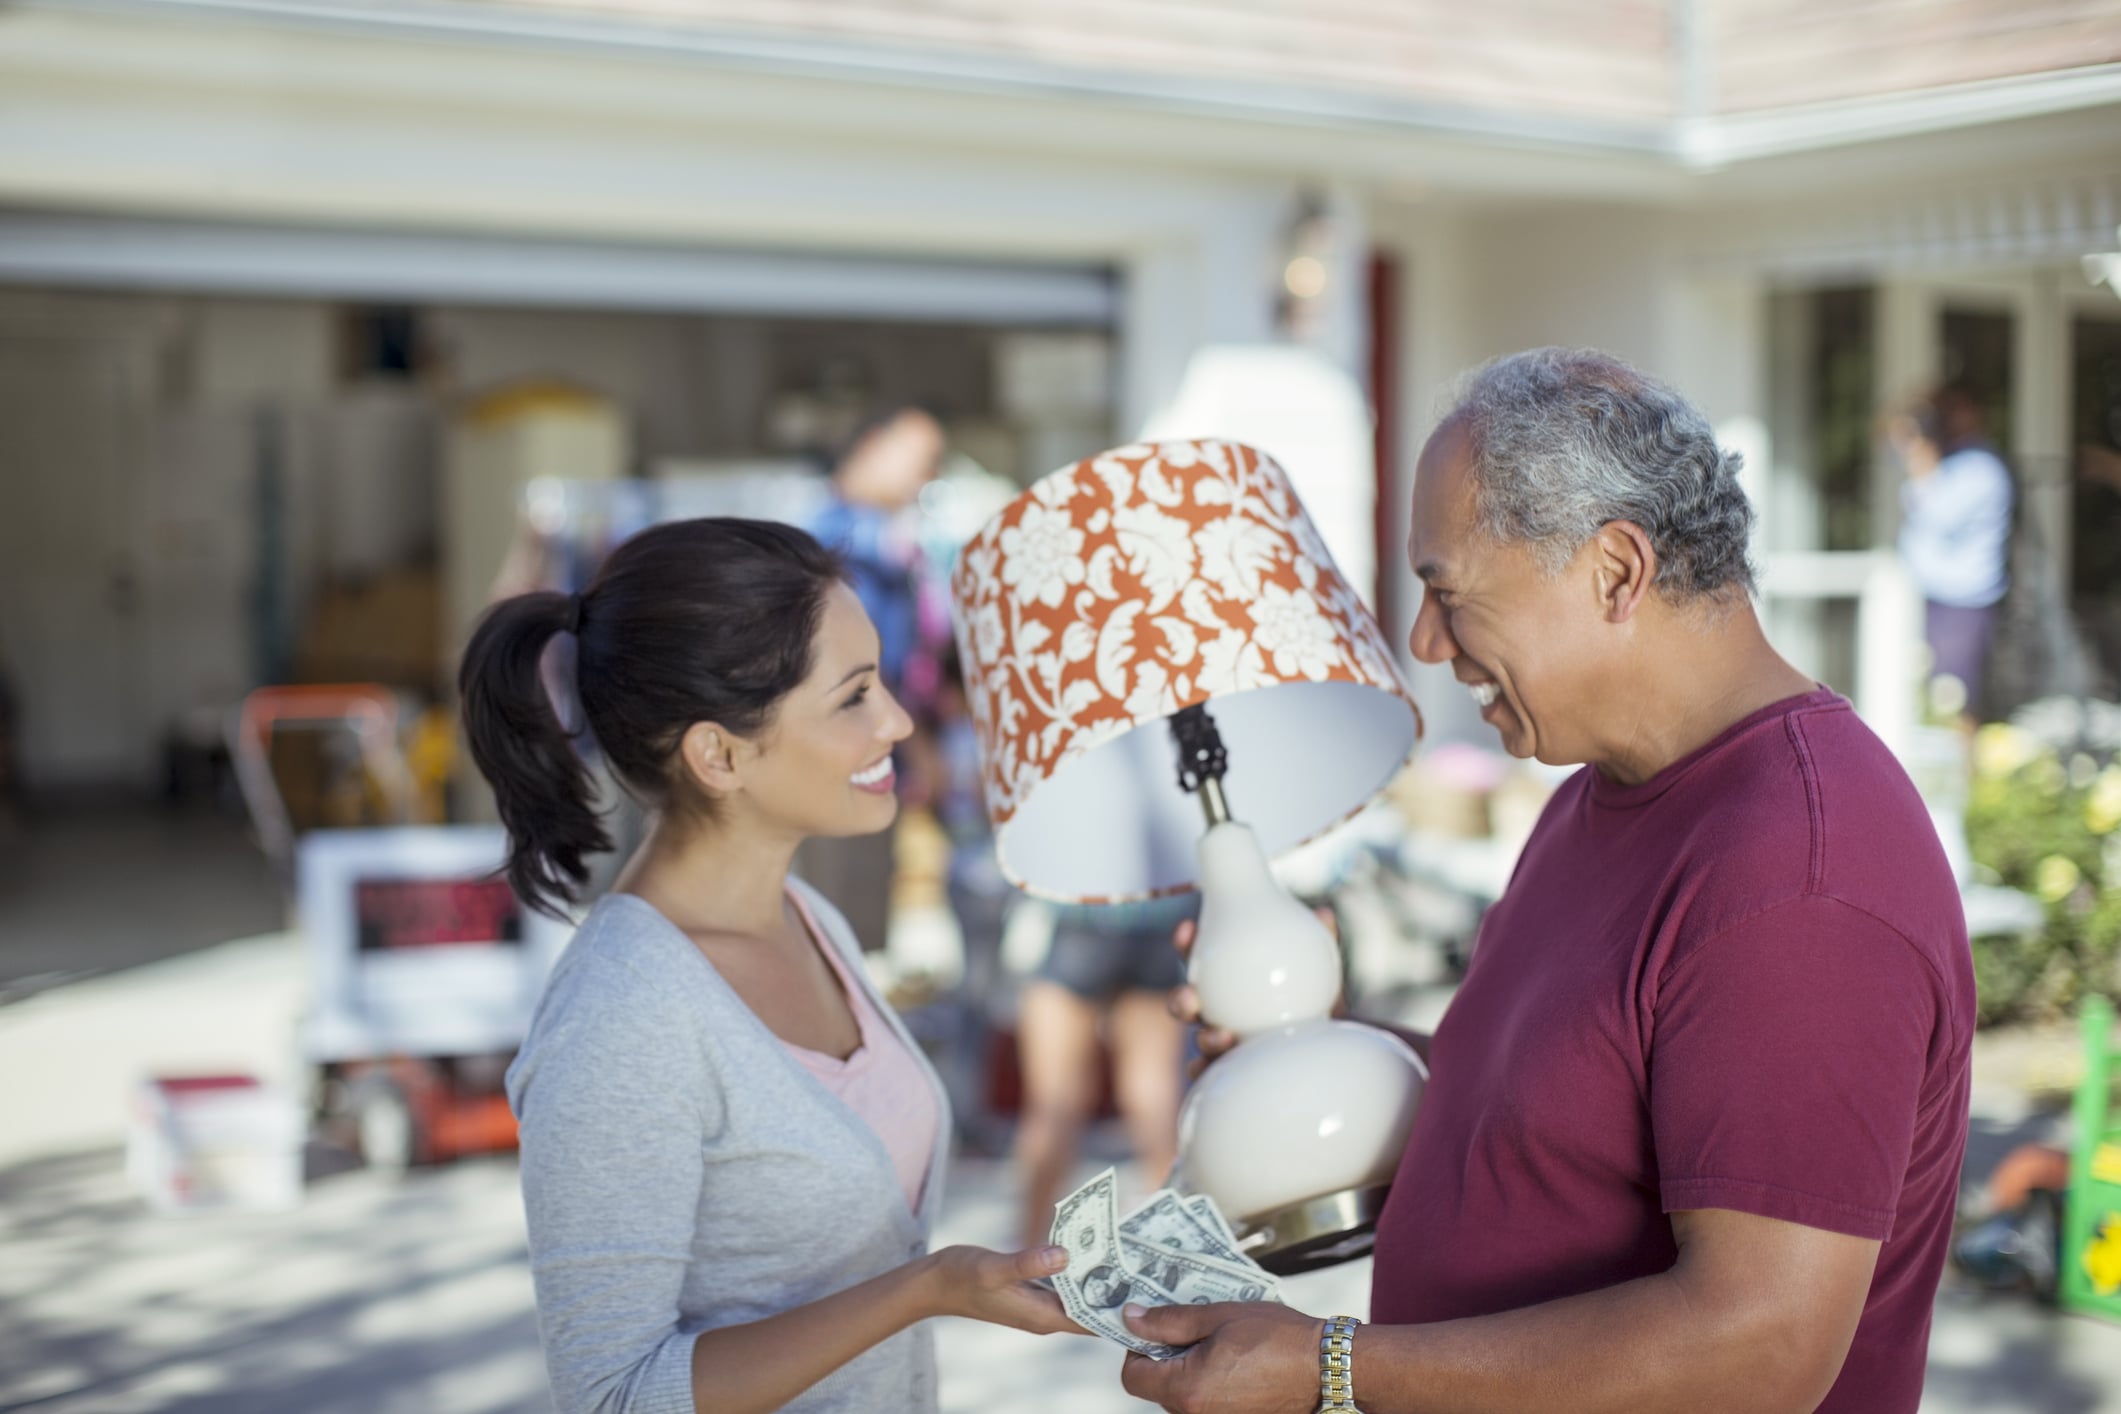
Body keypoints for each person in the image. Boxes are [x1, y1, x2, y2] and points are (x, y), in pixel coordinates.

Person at [1123, 349, 1974, 1414]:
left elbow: (1759, 1347)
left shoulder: (1800, 872)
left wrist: (1332, 1366)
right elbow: (1572, 1111)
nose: (1428, 642)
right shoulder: (1604, 785)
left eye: (1447, 592)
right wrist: (1330, 1052)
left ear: (1615, 571)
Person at [460, 518, 1077, 1414]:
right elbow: (613, 1397)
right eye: (854, 696)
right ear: (718, 754)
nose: (898, 721)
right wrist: (924, 1290)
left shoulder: (805, 915)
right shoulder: (623, 1020)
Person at [796, 405, 952, 952]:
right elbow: (853, 671)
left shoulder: (883, 539)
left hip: (871, 762)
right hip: (838, 766)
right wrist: (922, 743)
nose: (928, 476)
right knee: (834, 931)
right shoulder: (829, 542)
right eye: (924, 459)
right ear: (872, 447)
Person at [1014, 895, 1194, 1249]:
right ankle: (1177, 1246)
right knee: (1155, 1093)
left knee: (1054, 1102)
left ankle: (1027, 1253)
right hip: (1160, 918)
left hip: (1083, 917)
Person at [1891, 383, 2014, 718]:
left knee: (1954, 701)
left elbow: (1936, 514)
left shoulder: (1980, 466)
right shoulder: (1952, 463)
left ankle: (1968, 770)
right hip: (1931, 598)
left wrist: (1921, 459)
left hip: (1960, 605)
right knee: (1922, 700)